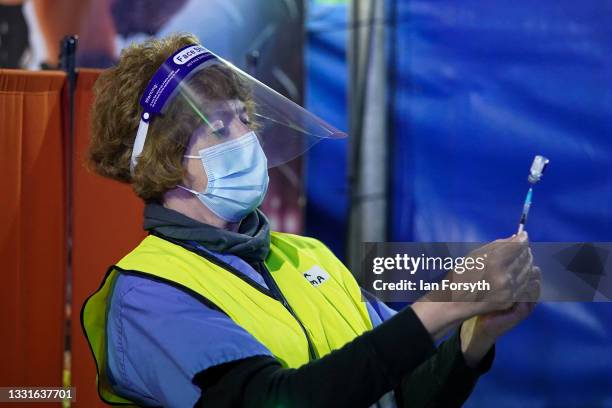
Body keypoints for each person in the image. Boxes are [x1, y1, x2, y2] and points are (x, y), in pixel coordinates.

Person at [81, 34, 541, 408]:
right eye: (220, 127)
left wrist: (473, 338)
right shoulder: (147, 292)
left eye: (244, 119)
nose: (247, 138)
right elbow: (280, 400)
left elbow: (398, 394)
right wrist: (448, 302)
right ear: (165, 161)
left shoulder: (306, 254)